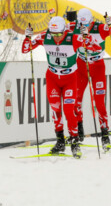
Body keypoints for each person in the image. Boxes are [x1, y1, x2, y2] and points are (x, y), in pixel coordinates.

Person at [21, 16, 101, 158]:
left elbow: (96, 48)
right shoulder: (45, 37)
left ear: (65, 30)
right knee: (56, 110)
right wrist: (27, 37)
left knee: (69, 111)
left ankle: (75, 142)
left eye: (59, 34)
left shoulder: (73, 39)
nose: (56, 37)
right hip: (52, 78)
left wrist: (86, 36)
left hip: (70, 79)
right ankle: (60, 142)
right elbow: (26, 49)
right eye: (53, 34)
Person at [73, 9, 111, 151]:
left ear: (91, 21)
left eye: (86, 24)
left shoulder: (100, 28)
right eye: (81, 24)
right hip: (81, 65)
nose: (83, 27)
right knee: (76, 99)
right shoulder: (74, 27)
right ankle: (79, 130)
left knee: (99, 102)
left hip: (97, 66)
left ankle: (105, 134)